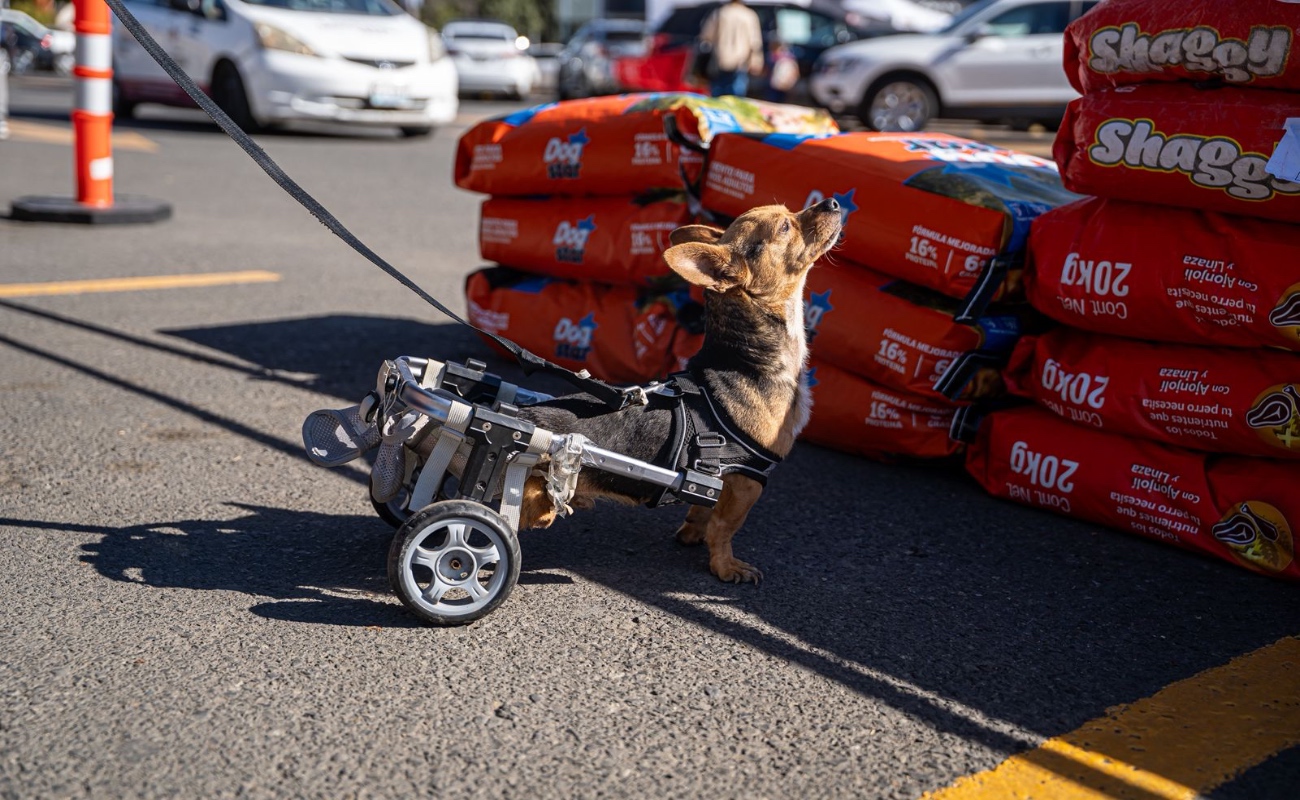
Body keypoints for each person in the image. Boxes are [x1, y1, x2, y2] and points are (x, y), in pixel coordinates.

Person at [697, 0, 764, 98]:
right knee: (736, 96)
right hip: (740, 61)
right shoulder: (749, 15)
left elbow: (706, 36)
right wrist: (756, 61)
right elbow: (755, 42)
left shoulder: (720, 13)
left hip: (720, 60)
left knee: (718, 95)